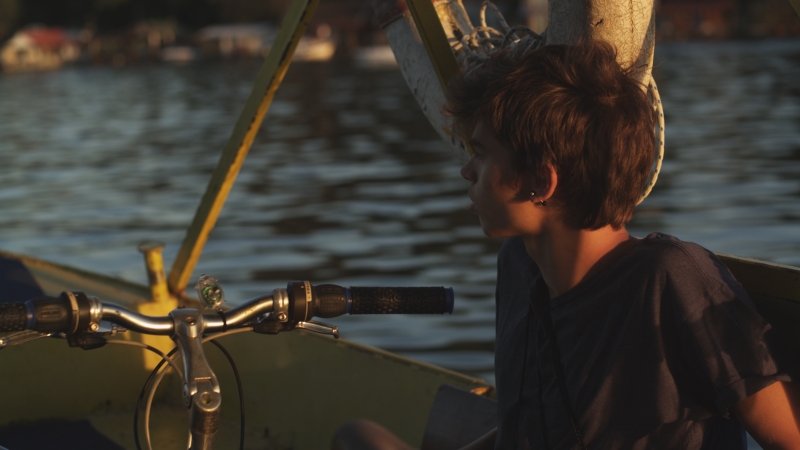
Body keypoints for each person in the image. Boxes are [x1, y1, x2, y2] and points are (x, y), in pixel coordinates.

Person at [333, 39, 799, 449]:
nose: (467, 171)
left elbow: (789, 438)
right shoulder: (519, 266)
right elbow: (526, 427)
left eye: (482, 154)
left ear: (541, 181)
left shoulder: (669, 280)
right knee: (356, 436)